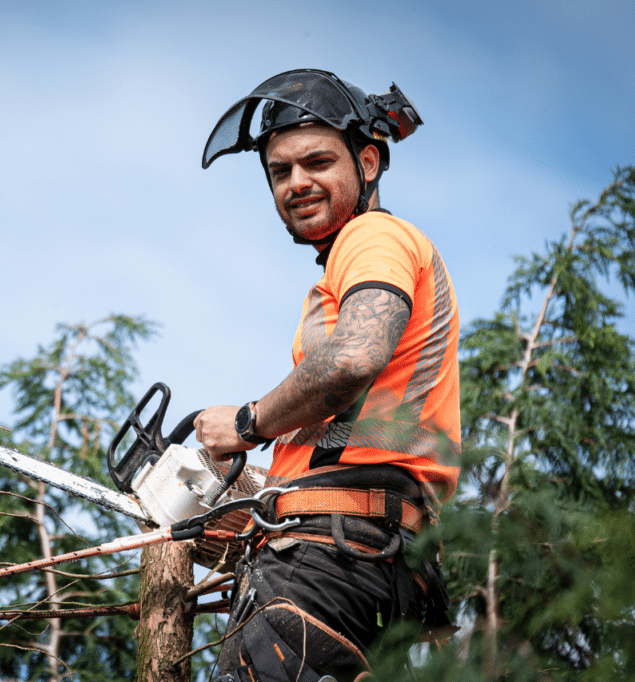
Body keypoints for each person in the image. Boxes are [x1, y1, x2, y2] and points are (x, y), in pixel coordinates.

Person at [192, 69, 461, 682]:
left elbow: (351, 360)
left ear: (367, 162)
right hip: (361, 556)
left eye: (316, 162)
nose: (296, 183)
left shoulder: (374, 236)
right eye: (280, 172)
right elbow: (352, 430)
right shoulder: (349, 257)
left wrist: (246, 423)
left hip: (334, 559)